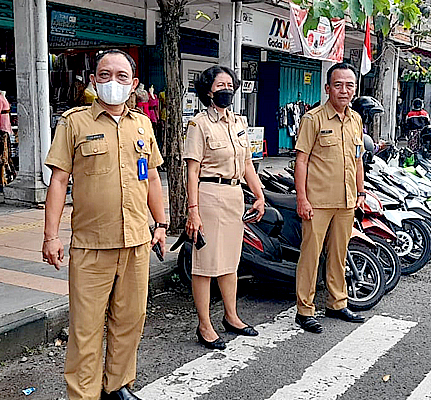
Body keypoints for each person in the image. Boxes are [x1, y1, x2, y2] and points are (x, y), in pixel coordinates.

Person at [42, 49, 166, 400]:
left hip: (136, 243)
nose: (114, 82)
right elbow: (58, 181)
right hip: (91, 246)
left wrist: (161, 223)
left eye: (122, 76)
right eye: (106, 75)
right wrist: (51, 236)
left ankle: (118, 386)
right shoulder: (74, 122)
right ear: (94, 81)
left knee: (130, 320)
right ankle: (83, 395)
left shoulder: (142, 124)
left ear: (134, 84)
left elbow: (153, 179)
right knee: (86, 328)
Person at [183, 65, 265, 350]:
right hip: (208, 196)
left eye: (230, 85)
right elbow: (192, 171)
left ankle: (231, 317)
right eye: (220, 86)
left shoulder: (239, 122)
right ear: (208, 91)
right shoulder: (199, 125)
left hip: (233, 196)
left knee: (230, 262)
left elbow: (246, 165)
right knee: (205, 265)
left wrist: (259, 194)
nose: (226, 90)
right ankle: (205, 325)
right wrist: (192, 209)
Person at [293, 62, 366, 334]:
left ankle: (337, 303)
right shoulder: (313, 119)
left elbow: (358, 159)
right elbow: (301, 161)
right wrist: (302, 198)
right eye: (338, 85)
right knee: (310, 256)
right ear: (327, 88)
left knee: (338, 255)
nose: (344, 91)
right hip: (318, 202)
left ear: (354, 89)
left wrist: (360, 191)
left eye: (349, 85)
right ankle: (305, 310)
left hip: (347, 201)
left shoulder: (356, 120)